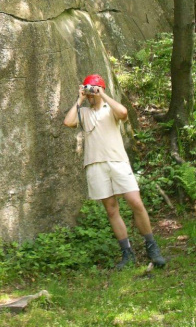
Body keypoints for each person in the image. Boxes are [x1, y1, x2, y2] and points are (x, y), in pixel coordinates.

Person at [63, 74, 166, 270]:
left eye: (94, 90)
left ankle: (152, 247)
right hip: (95, 164)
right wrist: (80, 98)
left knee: (135, 202)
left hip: (118, 161)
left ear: (101, 89)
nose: (92, 94)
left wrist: (104, 94)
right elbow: (68, 122)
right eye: (89, 90)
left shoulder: (110, 108)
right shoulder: (83, 112)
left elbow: (123, 112)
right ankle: (127, 253)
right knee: (111, 209)